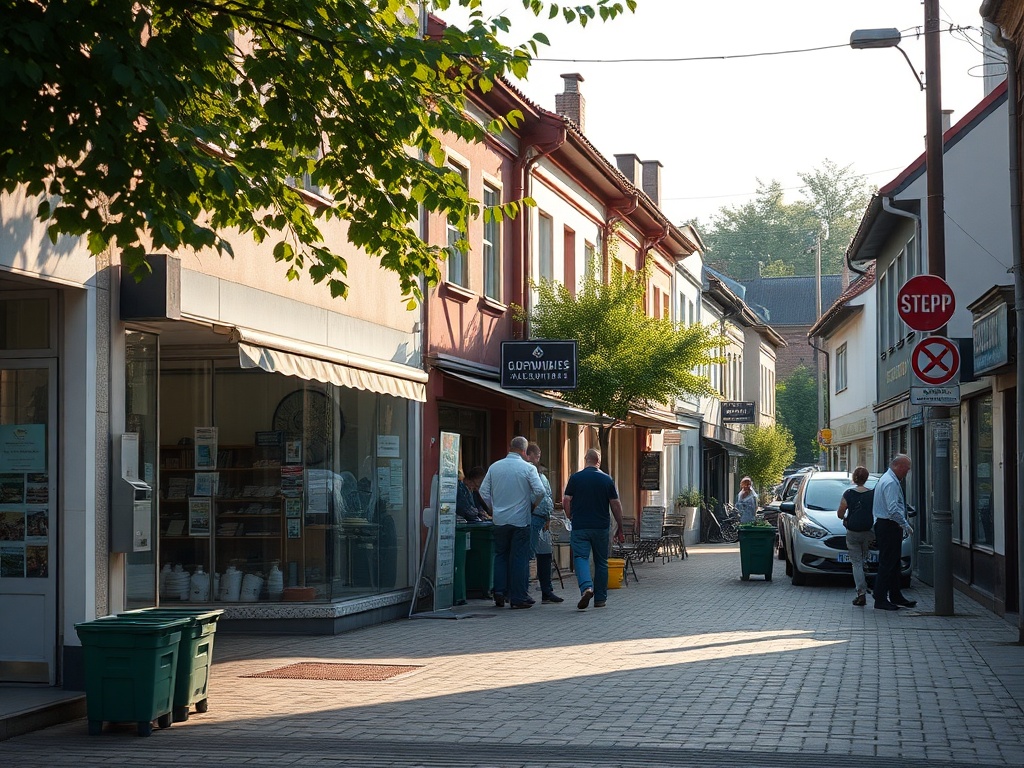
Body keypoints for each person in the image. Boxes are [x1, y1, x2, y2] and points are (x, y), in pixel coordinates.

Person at [479, 436, 545, 609]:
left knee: (500, 555)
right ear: (524, 451)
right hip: (520, 520)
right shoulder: (528, 468)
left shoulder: (495, 467)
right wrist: (533, 505)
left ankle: (499, 592)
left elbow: (483, 491)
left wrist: (492, 508)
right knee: (519, 558)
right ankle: (518, 596)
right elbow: (540, 491)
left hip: (500, 520)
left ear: (510, 448)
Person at [562, 448, 624, 610]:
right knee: (601, 561)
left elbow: (566, 500)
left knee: (580, 557)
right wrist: (620, 527)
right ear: (599, 461)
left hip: (580, 526)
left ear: (586, 459)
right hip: (601, 527)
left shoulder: (575, 478)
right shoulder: (606, 479)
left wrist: (569, 515)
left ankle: (586, 587)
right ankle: (600, 599)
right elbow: (615, 504)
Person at [871, 454, 915, 611]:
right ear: (899, 467)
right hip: (889, 526)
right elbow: (892, 509)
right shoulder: (890, 482)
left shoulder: (887, 479)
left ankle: (896, 595)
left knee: (894, 563)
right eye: (907, 469)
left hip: (886, 525)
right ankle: (880, 598)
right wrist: (905, 524)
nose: (907, 472)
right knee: (888, 563)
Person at [526, 442, 563, 604]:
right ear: (528, 455)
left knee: (545, 555)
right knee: (528, 555)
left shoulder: (541, 475)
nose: (538, 459)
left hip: (544, 519)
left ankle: (547, 591)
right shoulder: (527, 474)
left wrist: (548, 516)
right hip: (533, 518)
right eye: (537, 456)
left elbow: (547, 496)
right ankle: (523, 590)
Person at [837, 466, 875, 607]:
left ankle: (861, 592)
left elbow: (840, 513)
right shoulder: (872, 494)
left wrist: (845, 519)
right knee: (865, 559)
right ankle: (870, 584)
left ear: (854, 478)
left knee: (856, 562)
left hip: (853, 532)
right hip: (868, 531)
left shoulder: (848, 494)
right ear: (866, 478)